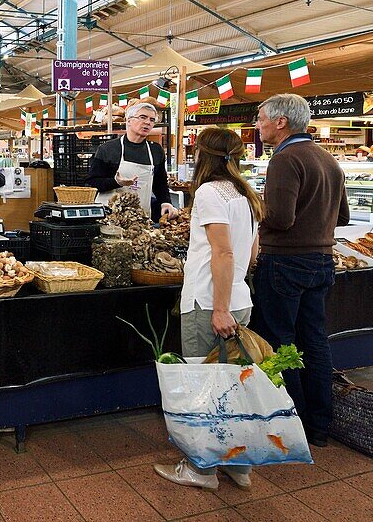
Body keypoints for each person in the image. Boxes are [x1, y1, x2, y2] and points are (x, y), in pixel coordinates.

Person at [154, 127, 263, 491]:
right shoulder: (246, 194)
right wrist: (232, 295)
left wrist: (218, 308)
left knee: (204, 386)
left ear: (205, 156)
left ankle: (201, 469)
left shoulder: (208, 192)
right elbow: (251, 254)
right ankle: (238, 465)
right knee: (234, 386)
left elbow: (224, 252)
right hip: (240, 300)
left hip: (208, 304)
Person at [254, 93, 349, 448]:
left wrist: (253, 210)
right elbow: (343, 217)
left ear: (281, 122)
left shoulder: (285, 159)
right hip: (322, 262)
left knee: (280, 342)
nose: (258, 126)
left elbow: (280, 218)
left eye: (262, 119)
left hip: (285, 262)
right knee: (314, 341)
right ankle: (319, 424)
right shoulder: (328, 159)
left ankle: (290, 422)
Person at [85, 102, 178, 221]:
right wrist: (116, 182)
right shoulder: (108, 149)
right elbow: (92, 183)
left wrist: (166, 202)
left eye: (152, 120)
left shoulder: (156, 150)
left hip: (140, 219)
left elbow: (160, 183)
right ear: (128, 121)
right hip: (109, 218)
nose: (148, 122)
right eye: (143, 117)